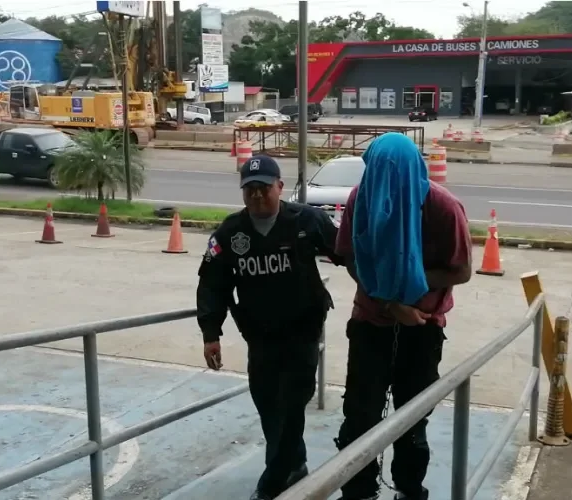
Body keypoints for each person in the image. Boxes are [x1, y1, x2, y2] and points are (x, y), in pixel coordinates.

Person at [333, 133, 473, 500]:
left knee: (412, 420)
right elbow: (351, 259)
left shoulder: (443, 207)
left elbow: (461, 271)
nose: (385, 182)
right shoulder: (361, 199)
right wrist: (390, 301)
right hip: (370, 325)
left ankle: (410, 490)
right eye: (377, 171)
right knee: (360, 416)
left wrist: (408, 281)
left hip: (422, 329)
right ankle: (359, 491)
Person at [196, 154, 344, 500]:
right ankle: (296, 463)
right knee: (267, 404)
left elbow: (345, 252)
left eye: (264, 188)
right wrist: (210, 333)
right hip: (260, 337)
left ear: (280, 187)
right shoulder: (231, 233)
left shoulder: (308, 221)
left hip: (303, 333)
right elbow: (212, 285)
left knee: (292, 405)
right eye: (250, 189)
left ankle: (272, 482)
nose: (258, 196)